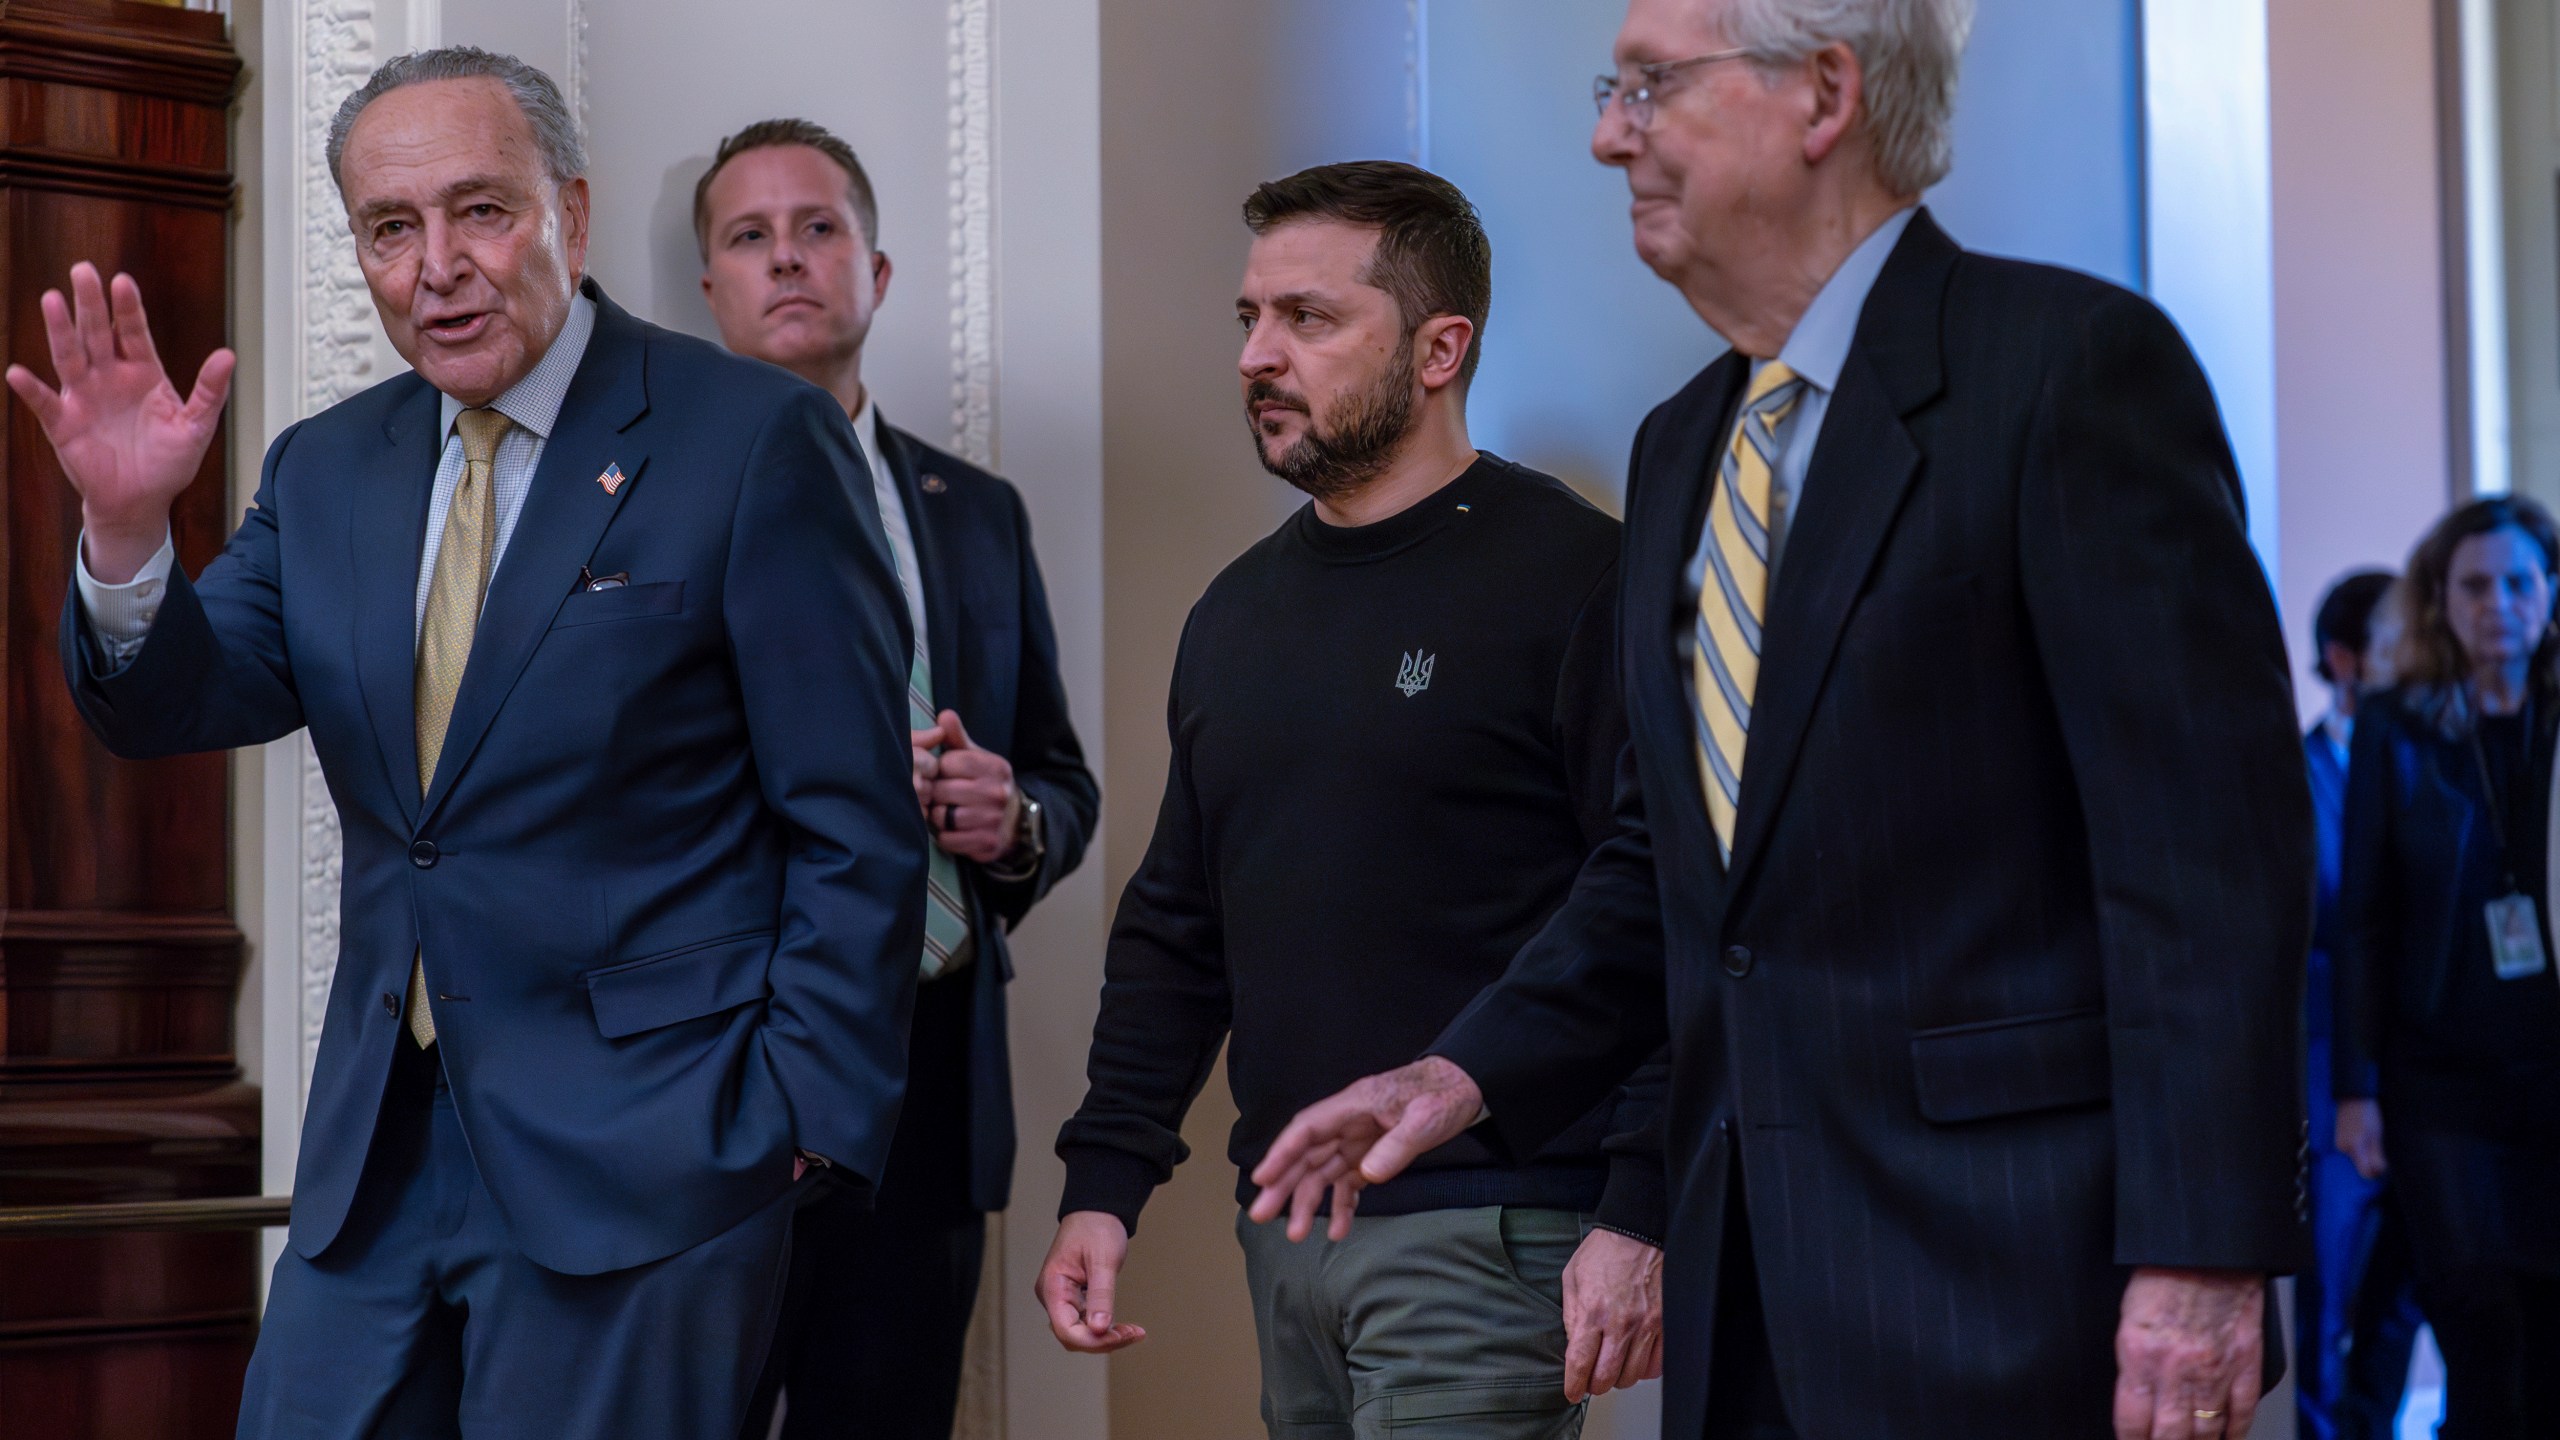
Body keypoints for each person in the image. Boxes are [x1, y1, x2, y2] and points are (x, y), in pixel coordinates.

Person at [1248, 2, 2314, 1437]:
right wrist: (1464, 1068)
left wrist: (2203, 1257)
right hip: (1746, 1285)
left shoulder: (2065, 372)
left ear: (1824, 95)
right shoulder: (1684, 444)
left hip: (2013, 1282)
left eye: (1649, 88)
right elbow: (1670, 865)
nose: (1606, 131)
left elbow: (2206, 867)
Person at [4, 49, 924, 1436]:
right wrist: (131, 537)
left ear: (573, 210)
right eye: (392, 228)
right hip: (377, 1165)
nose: (438, 266)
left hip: (656, 1160)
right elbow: (177, 701)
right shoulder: (327, 467)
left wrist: (796, 1122)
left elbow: (856, 823)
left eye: (480, 212)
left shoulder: (753, 439)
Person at [1038, 161, 1670, 1438]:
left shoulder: (1578, 577)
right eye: (1249, 320)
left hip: (1489, 1227)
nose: (1257, 357)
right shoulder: (1234, 612)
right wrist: (1103, 1188)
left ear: (1441, 349)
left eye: (1308, 320)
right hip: (1285, 1243)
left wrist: (1638, 1209)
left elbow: (1662, 906)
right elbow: (1178, 927)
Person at [694, 117, 1099, 1440]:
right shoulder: (643, 507)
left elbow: (1061, 776)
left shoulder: (975, 510)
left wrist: (1016, 819)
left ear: (878, 273)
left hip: (928, 1079)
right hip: (715, 1069)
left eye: (820, 228)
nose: (789, 259)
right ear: (709, 290)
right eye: (749, 237)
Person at [2334, 498, 2560, 1440]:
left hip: (2553, 1083)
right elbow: (2366, 919)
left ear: (2550, 591)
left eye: (2519, 581)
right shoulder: (2398, 728)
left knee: (2551, 1339)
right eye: (2474, 584)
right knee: (2480, 1328)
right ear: (2441, 600)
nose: (2498, 604)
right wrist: (2357, 1088)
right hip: (2440, 1090)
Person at [2297, 570, 2422, 1440]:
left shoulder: (2435, 762)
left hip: (2424, 1080)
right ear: (2344, 660)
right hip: (2324, 1080)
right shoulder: (2293, 779)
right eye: (2393, 645)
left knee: (2402, 1305)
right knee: (2323, 1301)